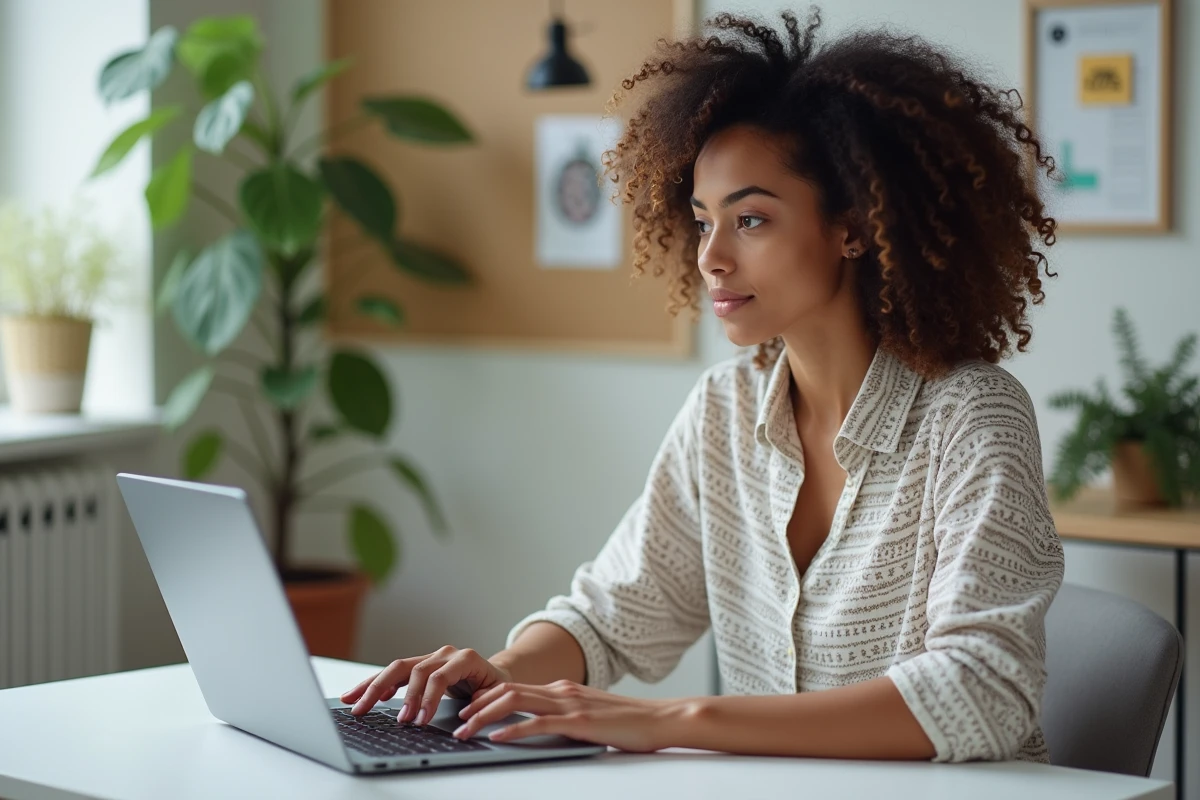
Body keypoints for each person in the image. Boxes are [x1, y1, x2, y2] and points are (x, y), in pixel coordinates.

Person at [341, 9, 1065, 763]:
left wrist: (669, 721)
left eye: (750, 219)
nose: (711, 257)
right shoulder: (723, 411)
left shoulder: (972, 416)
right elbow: (613, 614)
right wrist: (500, 674)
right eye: (701, 220)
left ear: (852, 227)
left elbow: (981, 691)